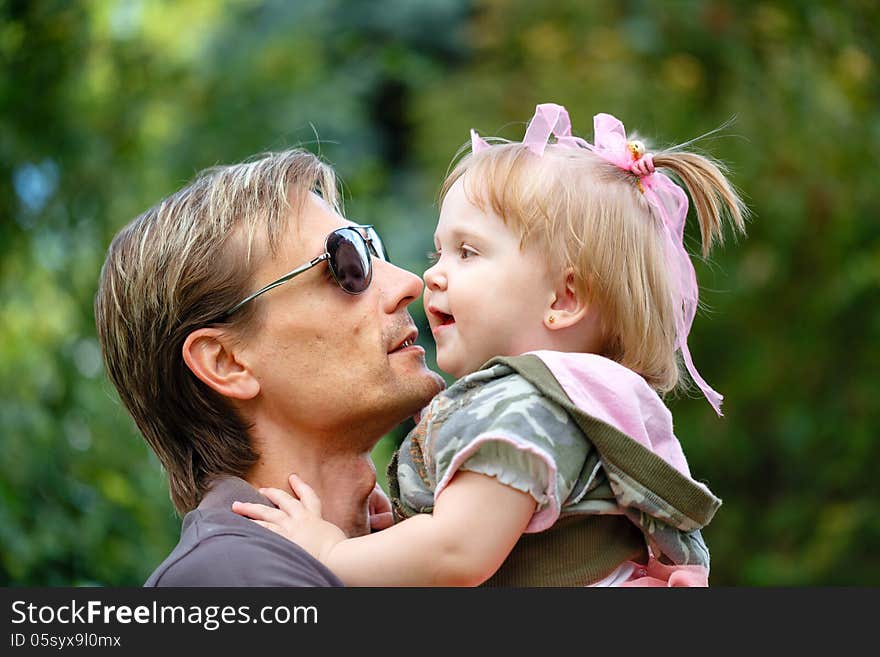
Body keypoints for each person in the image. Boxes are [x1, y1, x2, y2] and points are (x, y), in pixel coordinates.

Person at [233, 103, 748, 587]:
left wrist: (330, 554)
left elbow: (457, 555)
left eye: (468, 252)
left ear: (564, 298)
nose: (431, 275)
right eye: (440, 251)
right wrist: (407, 529)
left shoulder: (521, 410)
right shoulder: (578, 408)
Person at [94, 148, 445, 586]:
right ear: (226, 362)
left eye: (372, 247)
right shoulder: (224, 580)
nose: (409, 283)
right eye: (347, 263)